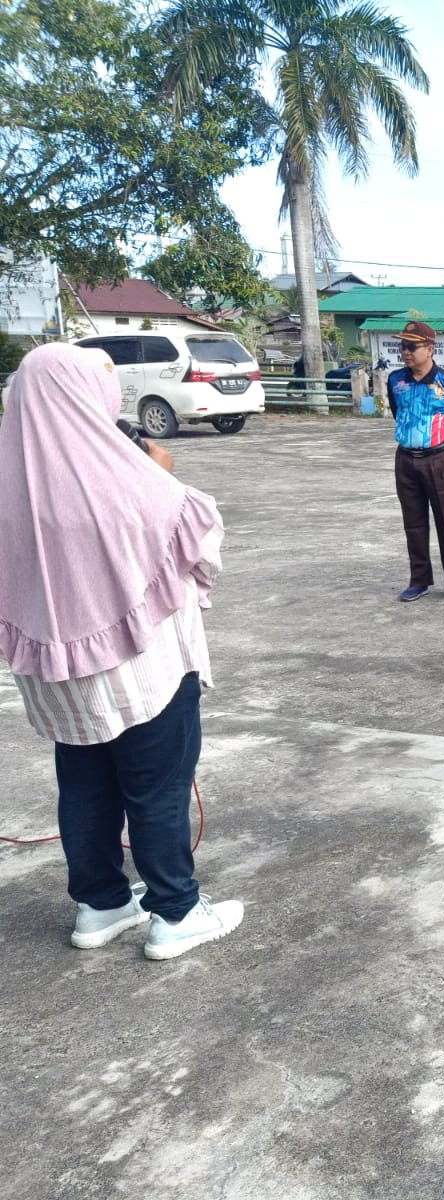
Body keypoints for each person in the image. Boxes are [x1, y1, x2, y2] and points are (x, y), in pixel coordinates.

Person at [0, 344, 244, 959]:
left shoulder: (9, 486)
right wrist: (159, 470)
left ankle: (101, 904)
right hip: (142, 672)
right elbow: (200, 537)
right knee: (157, 786)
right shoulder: (127, 482)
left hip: (59, 677)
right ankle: (176, 912)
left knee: (83, 786)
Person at [388, 320, 444, 603]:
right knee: (413, 523)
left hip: (440, 460)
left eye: (412, 346)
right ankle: (419, 580)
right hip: (405, 460)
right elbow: (397, 411)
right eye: (403, 346)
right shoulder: (395, 380)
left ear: (430, 349)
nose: (406, 352)